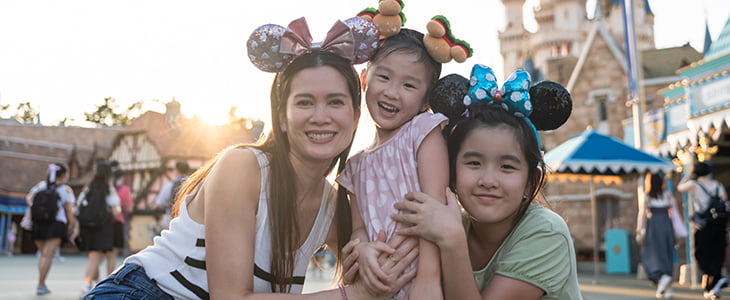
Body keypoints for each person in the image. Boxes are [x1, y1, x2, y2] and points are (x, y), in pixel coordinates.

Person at [83, 17, 416, 300]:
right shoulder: (244, 167)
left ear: (356, 116)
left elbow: (369, 244)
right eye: (303, 103)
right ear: (281, 118)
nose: (320, 116)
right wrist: (353, 294)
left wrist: (367, 252)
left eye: (335, 102)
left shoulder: (333, 205)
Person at [363, 65, 581, 299]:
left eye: (507, 167)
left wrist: (453, 241)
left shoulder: (546, 233)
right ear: (451, 172)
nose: (488, 181)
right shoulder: (445, 222)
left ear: (531, 182)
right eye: (474, 163)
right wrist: (364, 248)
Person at [336, 27, 448, 299]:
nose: (392, 92)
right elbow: (360, 227)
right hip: (378, 283)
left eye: (409, 85)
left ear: (426, 100)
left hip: (422, 283)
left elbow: (436, 208)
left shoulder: (423, 132)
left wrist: (429, 278)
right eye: (384, 77)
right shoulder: (355, 166)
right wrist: (361, 249)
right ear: (364, 79)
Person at [677, 161, 728, 299]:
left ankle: (715, 280)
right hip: (719, 224)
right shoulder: (718, 185)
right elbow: (724, 200)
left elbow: (680, 187)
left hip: (704, 224)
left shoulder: (695, 184)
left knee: (701, 254)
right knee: (718, 253)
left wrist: (689, 174)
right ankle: (714, 284)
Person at [25, 163, 76, 295]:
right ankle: (41, 285)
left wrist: (40, 209)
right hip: (56, 224)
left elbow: (29, 198)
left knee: (43, 255)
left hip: (38, 224)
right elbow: (70, 210)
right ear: (64, 175)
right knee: (48, 256)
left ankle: (42, 283)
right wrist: (71, 225)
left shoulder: (41, 185)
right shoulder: (66, 190)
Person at [75, 159, 122, 296]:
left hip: (88, 226)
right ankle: (86, 284)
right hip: (103, 226)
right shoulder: (109, 189)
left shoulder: (88, 188)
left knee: (93, 257)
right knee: (96, 257)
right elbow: (116, 212)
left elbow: (78, 207)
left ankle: (91, 282)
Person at [636, 173, 680, 298]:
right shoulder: (668, 195)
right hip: (667, 226)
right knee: (667, 255)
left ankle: (663, 279)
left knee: (651, 256)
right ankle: (668, 289)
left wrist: (639, 231)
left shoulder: (647, 196)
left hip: (654, 227)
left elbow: (642, 215)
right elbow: (675, 214)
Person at [106, 162, 134, 272]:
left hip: (104, 222)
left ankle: (92, 280)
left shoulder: (106, 188)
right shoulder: (124, 189)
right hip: (117, 221)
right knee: (113, 254)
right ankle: (108, 278)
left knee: (98, 255)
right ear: (122, 177)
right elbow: (128, 208)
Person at [150, 160, 191, 230]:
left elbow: (159, 203)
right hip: (190, 220)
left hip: (172, 220)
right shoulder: (193, 185)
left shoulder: (170, 185)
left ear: (176, 170)